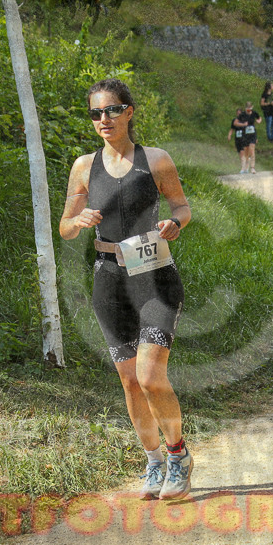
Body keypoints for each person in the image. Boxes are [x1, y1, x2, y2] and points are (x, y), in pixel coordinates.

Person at [59, 78, 194, 501]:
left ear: (129, 112)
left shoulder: (155, 159)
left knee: (150, 376)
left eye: (112, 110)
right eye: (96, 113)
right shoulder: (84, 166)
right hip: (109, 279)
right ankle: (153, 463)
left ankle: (179, 457)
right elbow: (64, 228)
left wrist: (176, 223)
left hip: (154, 276)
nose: (104, 120)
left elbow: (182, 206)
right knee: (130, 383)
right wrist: (76, 223)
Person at [237, 101, 261, 174]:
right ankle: (245, 167)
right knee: (246, 152)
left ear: (252, 108)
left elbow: (259, 118)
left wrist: (258, 121)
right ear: (245, 108)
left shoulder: (254, 113)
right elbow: (237, 122)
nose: (249, 111)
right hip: (245, 135)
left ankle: (252, 168)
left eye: (250, 109)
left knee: (252, 149)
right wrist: (243, 124)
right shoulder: (242, 115)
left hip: (253, 134)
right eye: (247, 109)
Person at [228, 107, 246, 171]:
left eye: (239, 113)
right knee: (240, 152)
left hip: (243, 138)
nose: (238, 114)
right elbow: (232, 129)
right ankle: (245, 164)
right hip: (237, 138)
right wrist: (229, 135)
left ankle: (243, 167)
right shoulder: (234, 120)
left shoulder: (244, 120)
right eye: (237, 113)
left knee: (242, 152)